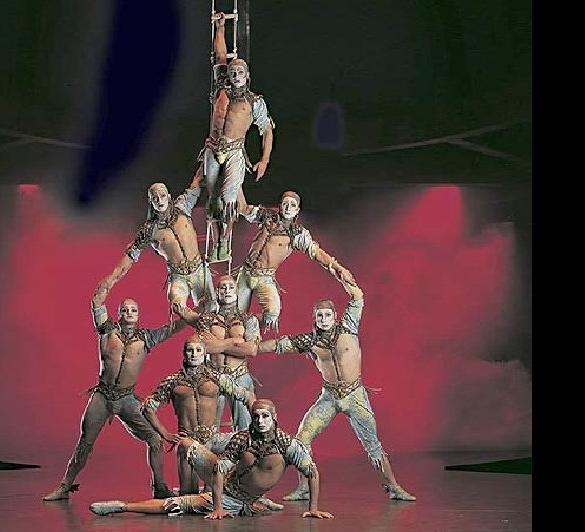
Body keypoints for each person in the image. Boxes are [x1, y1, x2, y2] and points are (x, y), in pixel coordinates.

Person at [257, 278, 417, 502]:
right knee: (302, 438)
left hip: (355, 395)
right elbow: (277, 345)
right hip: (330, 396)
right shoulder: (310, 341)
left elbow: (357, 296)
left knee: (373, 444)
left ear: (335, 316)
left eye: (327, 315)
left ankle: (394, 487)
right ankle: (304, 488)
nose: (324, 319)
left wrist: (337, 271)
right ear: (315, 318)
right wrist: (252, 346)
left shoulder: (349, 327)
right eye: (319, 316)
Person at [42, 286, 187, 502]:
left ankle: (159, 487)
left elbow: (174, 329)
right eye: (125, 310)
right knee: (85, 442)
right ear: (118, 314)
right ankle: (64, 487)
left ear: (139, 315)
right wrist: (115, 277)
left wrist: (195, 312)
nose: (129, 313)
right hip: (102, 396)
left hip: (127, 398)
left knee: (155, 438)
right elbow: (97, 302)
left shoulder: (147, 338)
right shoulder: (107, 331)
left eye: (133, 310)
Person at [89, 399, 334, 519]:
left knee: (175, 505)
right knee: (187, 444)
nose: (260, 421)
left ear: (274, 417)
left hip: (235, 499)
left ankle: (121, 506)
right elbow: (219, 469)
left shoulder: (287, 444)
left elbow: (312, 472)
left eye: (265, 416)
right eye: (256, 416)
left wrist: (313, 508)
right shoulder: (242, 439)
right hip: (224, 485)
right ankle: (207, 494)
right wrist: (217, 508)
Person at [198, 12, 275, 263]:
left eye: (240, 71)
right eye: (233, 71)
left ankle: (225, 241)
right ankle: (218, 240)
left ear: (247, 75)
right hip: (212, 148)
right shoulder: (220, 86)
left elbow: (267, 129)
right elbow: (220, 55)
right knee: (213, 198)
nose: (236, 74)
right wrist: (220, 27)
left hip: (234, 152)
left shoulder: (254, 102)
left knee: (229, 198)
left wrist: (264, 160)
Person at [141, 334, 256, 495]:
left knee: (251, 443)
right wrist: (165, 434)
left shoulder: (216, 378)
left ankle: (248, 492)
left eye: (198, 350)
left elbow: (246, 396)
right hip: (188, 442)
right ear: (184, 353)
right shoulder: (173, 381)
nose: (194, 354)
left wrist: (257, 421)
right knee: (189, 495)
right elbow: (147, 408)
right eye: (190, 350)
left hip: (213, 440)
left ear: (204, 353)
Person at [93, 165, 215, 313]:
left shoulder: (183, 206)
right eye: (155, 198)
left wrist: (207, 159)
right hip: (179, 277)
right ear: (151, 202)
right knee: (177, 305)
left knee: (212, 308)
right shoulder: (149, 230)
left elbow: (197, 182)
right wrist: (110, 280)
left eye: (162, 196)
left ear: (168, 196)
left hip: (199, 270)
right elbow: (130, 256)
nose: (159, 200)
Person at [237, 190, 356, 333]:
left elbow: (316, 253)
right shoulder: (265, 217)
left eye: (292, 205)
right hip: (245, 273)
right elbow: (243, 208)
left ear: (297, 210)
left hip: (265, 278)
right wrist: (236, 180)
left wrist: (339, 268)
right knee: (236, 316)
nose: (288, 208)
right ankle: (240, 330)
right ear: (280, 205)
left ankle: (251, 330)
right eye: (285, 204)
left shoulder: (297, 234)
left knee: (272, 314)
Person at [172, 274, 260, 432]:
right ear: (217, 292)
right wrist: (234, 342)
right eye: (223, 287)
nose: (227, 291)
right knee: (208, 428)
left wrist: (217, 343)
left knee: (245, 429)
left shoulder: (248, 319)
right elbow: (205, 347)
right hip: (212, 377)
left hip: (240, 375)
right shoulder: (206, 319)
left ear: (237, 291)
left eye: (231, 287)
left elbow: (251, 349)